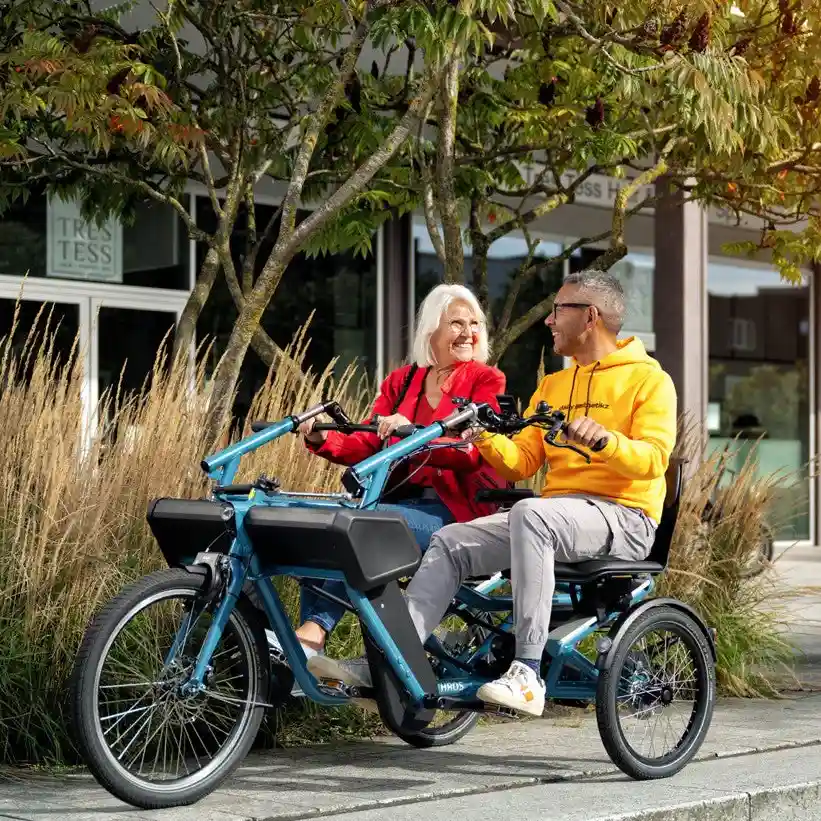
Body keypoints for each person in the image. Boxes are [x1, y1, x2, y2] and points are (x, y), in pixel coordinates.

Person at [316, 270, 677, 716]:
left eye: (558, 310)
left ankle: (527, 672)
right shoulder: (554, 386)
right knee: (452, 541)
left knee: (531, 513)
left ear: (590, 316)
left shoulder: (649, 380)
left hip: (623, 516)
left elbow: (654, 460)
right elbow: (522, 461)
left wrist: (605, 441)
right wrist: (481, 434)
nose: (549, 321)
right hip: (558, 516)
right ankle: (396, 658)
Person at [267, 283, 507, 688]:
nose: (468, 333)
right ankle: (303, 650)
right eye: (456, 324)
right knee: (322, 526)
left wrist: (415, 432)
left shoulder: (486, 380)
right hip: (398, 503)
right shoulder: (403, 381)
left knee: (363, 524)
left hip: (457, 508)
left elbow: (470, 450)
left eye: (475, 324)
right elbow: (369, 443)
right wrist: (321, 439)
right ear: (431, 330)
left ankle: (312, 635)